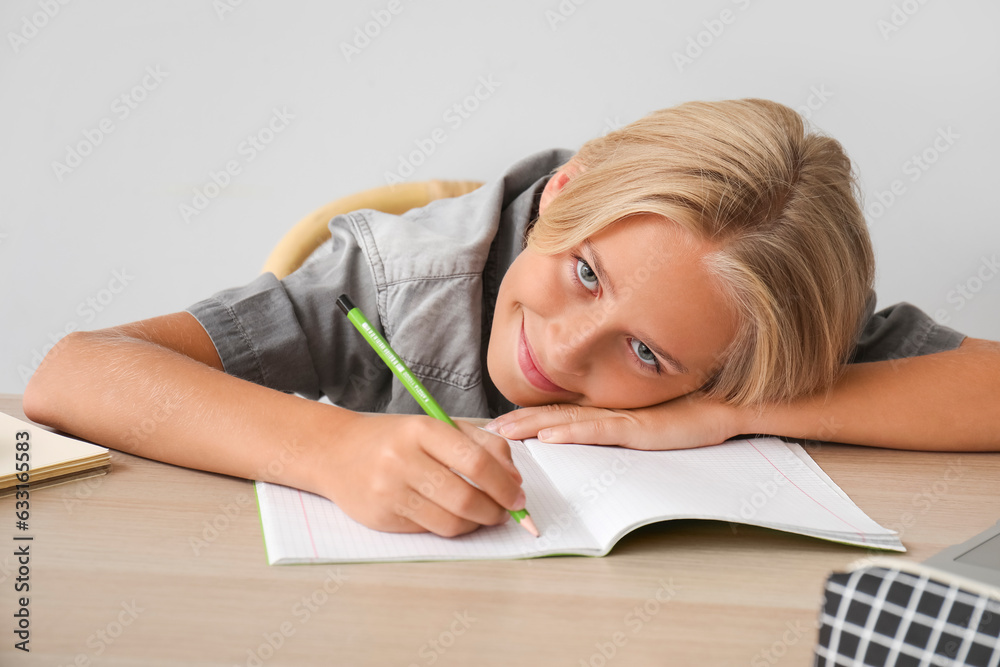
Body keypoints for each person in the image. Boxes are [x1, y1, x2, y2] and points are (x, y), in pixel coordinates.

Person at [23, 99, 1000, 539]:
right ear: (567, 192)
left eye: (649, 353)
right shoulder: (388, 279)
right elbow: (73, 372)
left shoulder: (752, 313)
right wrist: (328, 449)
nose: (561, 347)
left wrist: (740, 414)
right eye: (583, 271)